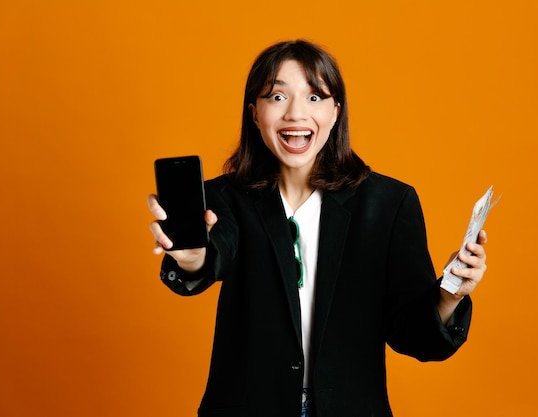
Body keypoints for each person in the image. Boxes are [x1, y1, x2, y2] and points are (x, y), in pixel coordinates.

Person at [147, 39, 488, 417]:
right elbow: (217, 252)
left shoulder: (389, 204)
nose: (296, 114)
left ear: (336, 111)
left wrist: (450, 294)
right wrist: (194, 258)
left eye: (314, 97)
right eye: (277, 97)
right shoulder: (224, 198)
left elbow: (412, 335)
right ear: (255, 114)